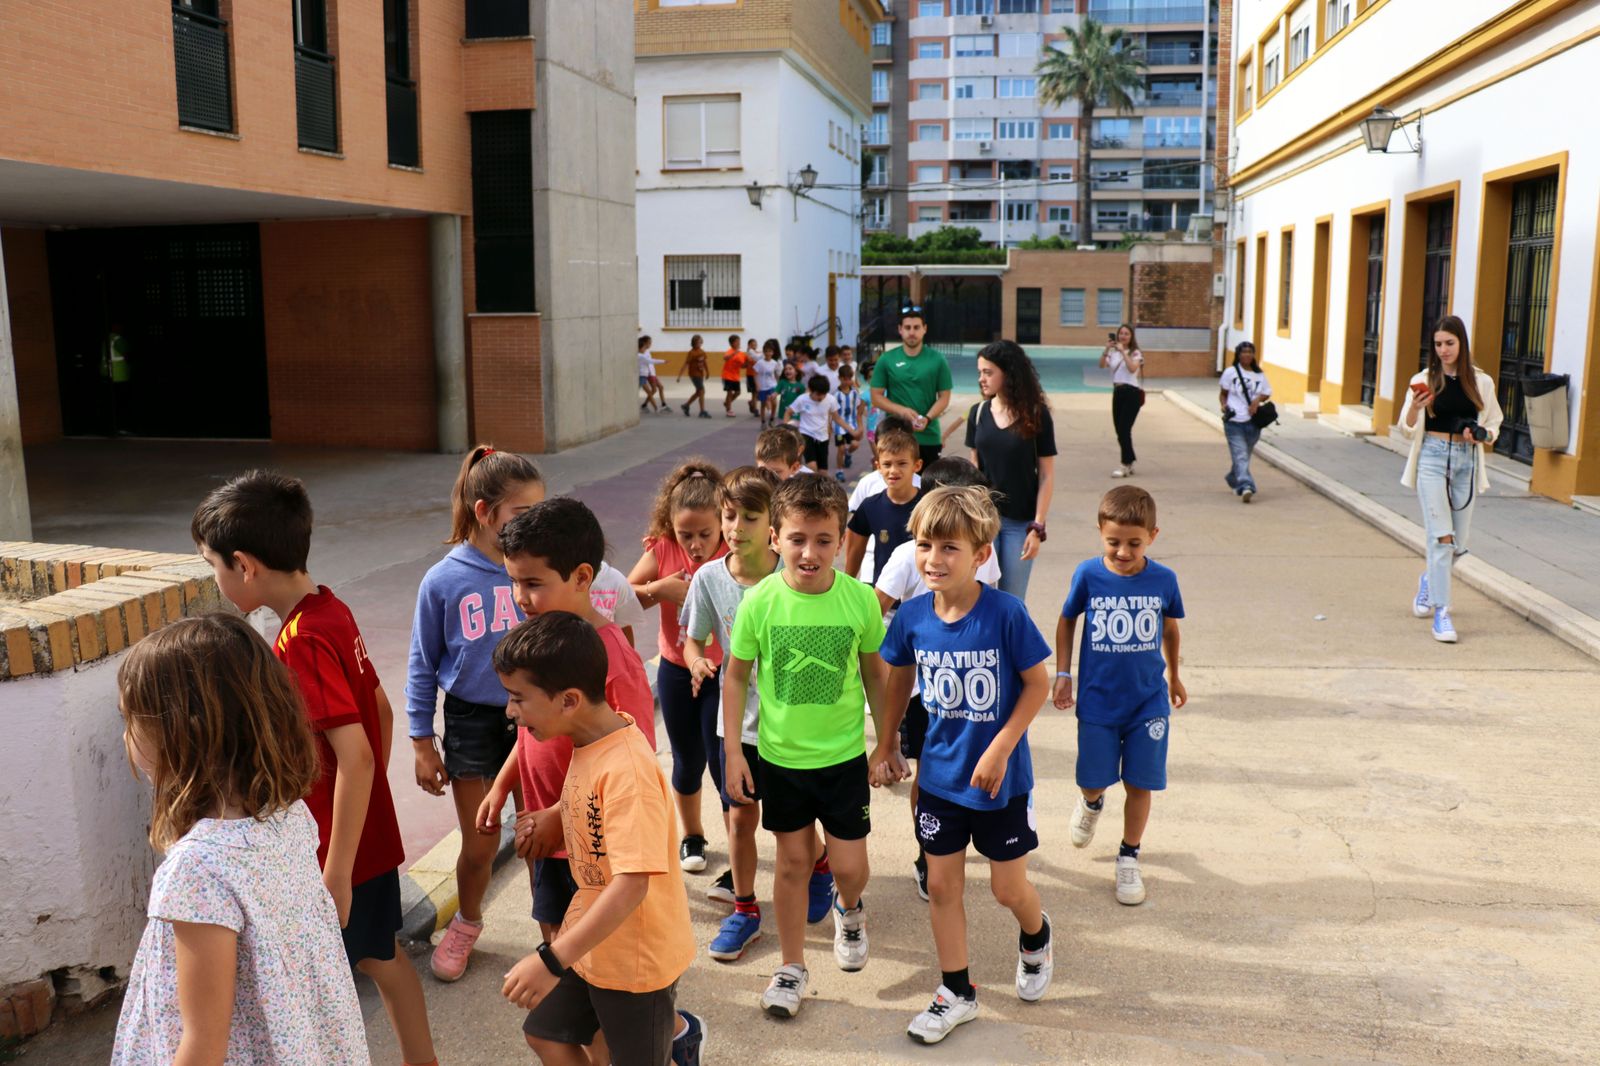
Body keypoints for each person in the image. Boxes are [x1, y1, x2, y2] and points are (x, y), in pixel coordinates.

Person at [192, 471, 437, 1066]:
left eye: (214, 567)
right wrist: (372, 798)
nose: (216, 581)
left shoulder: (300, 640)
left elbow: (352, 752)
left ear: (245, 565)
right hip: (362, 836)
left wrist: (336, 870)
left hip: (338, 852)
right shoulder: (330, 608)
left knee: (326, 977)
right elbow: (377, 707)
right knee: (383, 955)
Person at [110, 615, 369, 1066]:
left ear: (178, 732)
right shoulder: (288, 817)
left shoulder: (197, 870)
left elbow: (204, 1044)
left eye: (130, 718)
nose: (126, 733)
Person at [873, 486, 1054, 1043]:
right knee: (944, 886)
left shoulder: (1006, 613)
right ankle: (957, 990)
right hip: (941, 778)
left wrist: (1001, 746)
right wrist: (886, 745)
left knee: (1006, 890)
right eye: (925, 545)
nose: (934, 559)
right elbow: (899, 678)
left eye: (950, 547)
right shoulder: (912, 616)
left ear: (980, 555)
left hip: (1001, 782)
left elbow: (1037, 684)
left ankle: (1036, 935)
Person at [496, 613, 704, 1066]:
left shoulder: (627, 770)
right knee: (546, 1035)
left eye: (518, 699)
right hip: (590, 943)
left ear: (569, 700)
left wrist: (552, 960)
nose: (510, 711)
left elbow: (632, 883)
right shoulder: (589, 741)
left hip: (635, 962)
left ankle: (682, 1048)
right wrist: (555, 815)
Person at [722, 474, 890, 1018]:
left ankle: (850, 907)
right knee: (792, 863)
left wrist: (885, 744)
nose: (809, 551)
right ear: (774, 538)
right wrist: (731, 752)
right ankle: (790, 968)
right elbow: (734, 677)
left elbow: (875, 676)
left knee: (848, 866)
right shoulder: (759, 603)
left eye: (823, 539)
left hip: (843, 761)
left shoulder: (859, 601)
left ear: (842, 539)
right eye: (797, 538)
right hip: (781, 759)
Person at [477, 498, 657, 947]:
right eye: (514, 581)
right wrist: (502, 787)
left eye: (533, 583)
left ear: (581, 577)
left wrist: (562, 815)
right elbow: (529, 733)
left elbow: (638, 757)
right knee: (555, 936)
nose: (521, 597)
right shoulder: (540, 647)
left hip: (592, 841)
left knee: (595, 951)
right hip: (545, 835)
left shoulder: (614, 659)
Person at [682, 467, 837, 960]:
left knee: (793, 822)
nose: (735, 527)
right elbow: (693, 637)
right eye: (729, 515)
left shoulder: (794, 573)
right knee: (740, 819)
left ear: (772, 524)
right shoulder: (709, 578)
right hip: (739, 727)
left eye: (749, 516)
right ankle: (745, 910)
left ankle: (820, 865)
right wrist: (696, 660)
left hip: (791, 726)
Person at [406, 445, 545, 982]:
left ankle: (551, 932)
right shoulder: (443, 580)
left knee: (538, 835)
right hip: (470, 722)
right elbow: (422, 662)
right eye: (521, 515)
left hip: (536, 719)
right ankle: (466, 922)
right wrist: (422, 740)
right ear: (485, 512)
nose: (532, 524)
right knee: (481, 840)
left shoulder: (536, 570)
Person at [871, 457, 1001, 901]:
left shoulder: (985, 553)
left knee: (972, 771)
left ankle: (965, 835)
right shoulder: (908, 556)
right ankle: (928, 852)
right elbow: (877, 605)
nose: (937, 557)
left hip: (974, 690)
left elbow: (994, 602)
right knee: (927, 776)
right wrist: (884, 740)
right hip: (925, 696)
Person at [1051, 486, 1187, 907]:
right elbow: (1067, 620)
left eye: (1134, 542)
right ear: (1099, 532)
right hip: (1097, 701)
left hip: (1147, 702)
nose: (1123, 552)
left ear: (1153, 535)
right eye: (1113, 542)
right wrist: (1062, 673)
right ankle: (1092, 805)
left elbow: (1169, 629)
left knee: (1139, 782)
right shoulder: (1088, 575)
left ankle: (1129, 855)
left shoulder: (1164, 580)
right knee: (1092, 780)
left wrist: (1176, 677)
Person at [628, 462, 729, 872]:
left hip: (723, 672)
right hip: (674, 670)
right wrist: (660, 589)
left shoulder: (732, 554)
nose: (696, 544)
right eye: (686, 534)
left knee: (724, 764)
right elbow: (619, 597)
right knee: (687, 760)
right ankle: (692, 836)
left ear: (724, 522)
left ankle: (738, 842)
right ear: (669, 525)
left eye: (706, 534)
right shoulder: (662, 549)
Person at [1397, 314, 1504, 644]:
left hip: (1466, 463)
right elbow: (1405, 427)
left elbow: (1494, 422)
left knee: (1458, 543)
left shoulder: (1481, 382)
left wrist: (1482, 435)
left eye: (1449, 343)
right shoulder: (1424, 379)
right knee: (1442, 537)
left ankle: (1430, 579)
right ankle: (1442, 612)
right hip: (1431, 459)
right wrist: (1415, 408)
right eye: (1438, 344)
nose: (1443, 350)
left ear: (1462, 343)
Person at [965, 340, 1057, 600]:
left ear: (1008, 373)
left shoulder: (1037, 414)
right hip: (983, 521)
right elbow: (974, 470)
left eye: (988, 372)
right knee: (980, 598)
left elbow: (1047, 475)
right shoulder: (978, 413)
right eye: (980, 372)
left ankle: (1012, 642)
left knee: (1013, 600)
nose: (981, 379)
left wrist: (1037, 526)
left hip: (1021, 524)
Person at [871, 307, 954, 468]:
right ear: (900, 330)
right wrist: (901, 411)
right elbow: (876, 397)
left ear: (925, 329)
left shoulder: (937, 360)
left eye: (916, 327)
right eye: (907, 328)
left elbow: (944, 397)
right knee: (896, 488)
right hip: (895, 436)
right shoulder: (887, 359)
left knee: (928, 490)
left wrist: (927, 418)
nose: (912, 332)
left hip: (929, 436)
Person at [845, 426, 924, 582]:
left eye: (902, 463)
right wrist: (848, 586)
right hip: (882, 596)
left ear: (917, 465)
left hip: (922, 596)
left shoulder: (929, 505)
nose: (893, 471)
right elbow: (855, 549)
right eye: (887, 464)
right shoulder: (870, 506)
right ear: (878, 467)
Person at [1219, 341, 1272, 503]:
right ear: (1238, 354)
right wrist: (1223, 405)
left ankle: (1233, 477)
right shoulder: (1230, 372)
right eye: (1244, 352)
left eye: (1250, 352)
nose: (1247, 355)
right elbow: (1223, 393)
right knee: (1240, 454)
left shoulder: (1259, 375)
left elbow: (1267, 393)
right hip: (1234, 421)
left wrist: (1257, 400)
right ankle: (1247, 486)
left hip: (1253, 423)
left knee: (1244, 456)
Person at [785, 373, 859, 474]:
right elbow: (788, 412)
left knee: (823, 472)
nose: (822, 397)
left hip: (823, 437)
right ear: (811, 390)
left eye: (824, 394)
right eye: (819, 394)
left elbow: (837, 418)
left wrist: (852, 431)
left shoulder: (830, 400)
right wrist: (785, 430)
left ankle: (818, 488)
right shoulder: (802, 399)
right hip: (806, 435)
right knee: (812, 467)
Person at [1101, 323, 1145, 478]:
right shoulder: (1113, 353)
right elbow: (1101, 365)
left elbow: (1133, 369)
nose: (1123, 336)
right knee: (1119, 430)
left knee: (1124, 429)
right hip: (1118, 392)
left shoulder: (1136, 353)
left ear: (1131, 337)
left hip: (1131, 393)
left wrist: (1123, 352)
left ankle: (1125, 464)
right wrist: (1107, 349)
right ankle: (1130, 459)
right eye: (1121, 333)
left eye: (1126, 334)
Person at [834, 364, 868, 481]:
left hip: (852, 425)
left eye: (849, 378)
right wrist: (829, 426)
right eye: (844, 378)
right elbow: (833, 413)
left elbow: (859, 409)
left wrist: (860, 426)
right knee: (841, 449)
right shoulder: (836, 394)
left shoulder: (854, 393)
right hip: (839, 427)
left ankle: (848, 454)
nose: (847, 381)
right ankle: (839, 471)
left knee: (855, 445)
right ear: (840, 378)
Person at [678, 335, 710, 419]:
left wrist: (707, 372)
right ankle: (702, 411)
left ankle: (686, 405)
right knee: (702, 391)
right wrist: (680, 375)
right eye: (698, 342)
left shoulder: (702, 351)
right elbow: (686, 364)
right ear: (694, 343)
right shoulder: (691, 353)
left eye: (700, 341)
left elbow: (704, 362)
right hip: (694, 374)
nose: (699, 343)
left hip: (700, 374)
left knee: (699, 392)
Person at [754, 338, 782, 426]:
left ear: (773, 352)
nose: (768, 353)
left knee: (774, 402)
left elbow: (776, 375)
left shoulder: (774, 363)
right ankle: (763, 421)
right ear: (764, 352)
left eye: (770, 351)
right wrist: (757, 385)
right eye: (766, 351)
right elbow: (755, 374)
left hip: (772, 385)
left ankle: (772, 418)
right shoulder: (760, 363)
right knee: (763, 404)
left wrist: (779, 386)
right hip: (763, 386)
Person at [720, 334, 748, 418]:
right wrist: (734, 353)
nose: (739, 343)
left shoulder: (741, 354)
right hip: (727, 375)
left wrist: (747, 364)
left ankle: (727, 403)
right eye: (737, 341)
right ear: (732, 343)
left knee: (738, 392)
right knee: (729, 392)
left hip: (736, 376)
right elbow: (725, 357)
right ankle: (729, 410)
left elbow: (742, 365)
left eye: (739, 341)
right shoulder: (730, 351)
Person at [639, 336, 668, 413]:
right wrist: (663, 361)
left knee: (659, 388)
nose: (650, 344)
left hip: (652, 373)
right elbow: (650, 361)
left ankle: (662, 405)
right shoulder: (641, 354)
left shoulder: (646, 351)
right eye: (649, 343)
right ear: (644, 344)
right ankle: (653, 407)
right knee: (653, 390)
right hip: (648, 374)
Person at [745, 337, 762, 415]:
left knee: (757, 392)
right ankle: (755, 409)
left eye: (755, 344)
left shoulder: (756, 352)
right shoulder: (750, 353)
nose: (754, 345)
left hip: (757, 375)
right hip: (751, 374)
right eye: (752, 344)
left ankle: (752, 403)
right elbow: (757, 358)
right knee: (754, 392)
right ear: (749, 345)